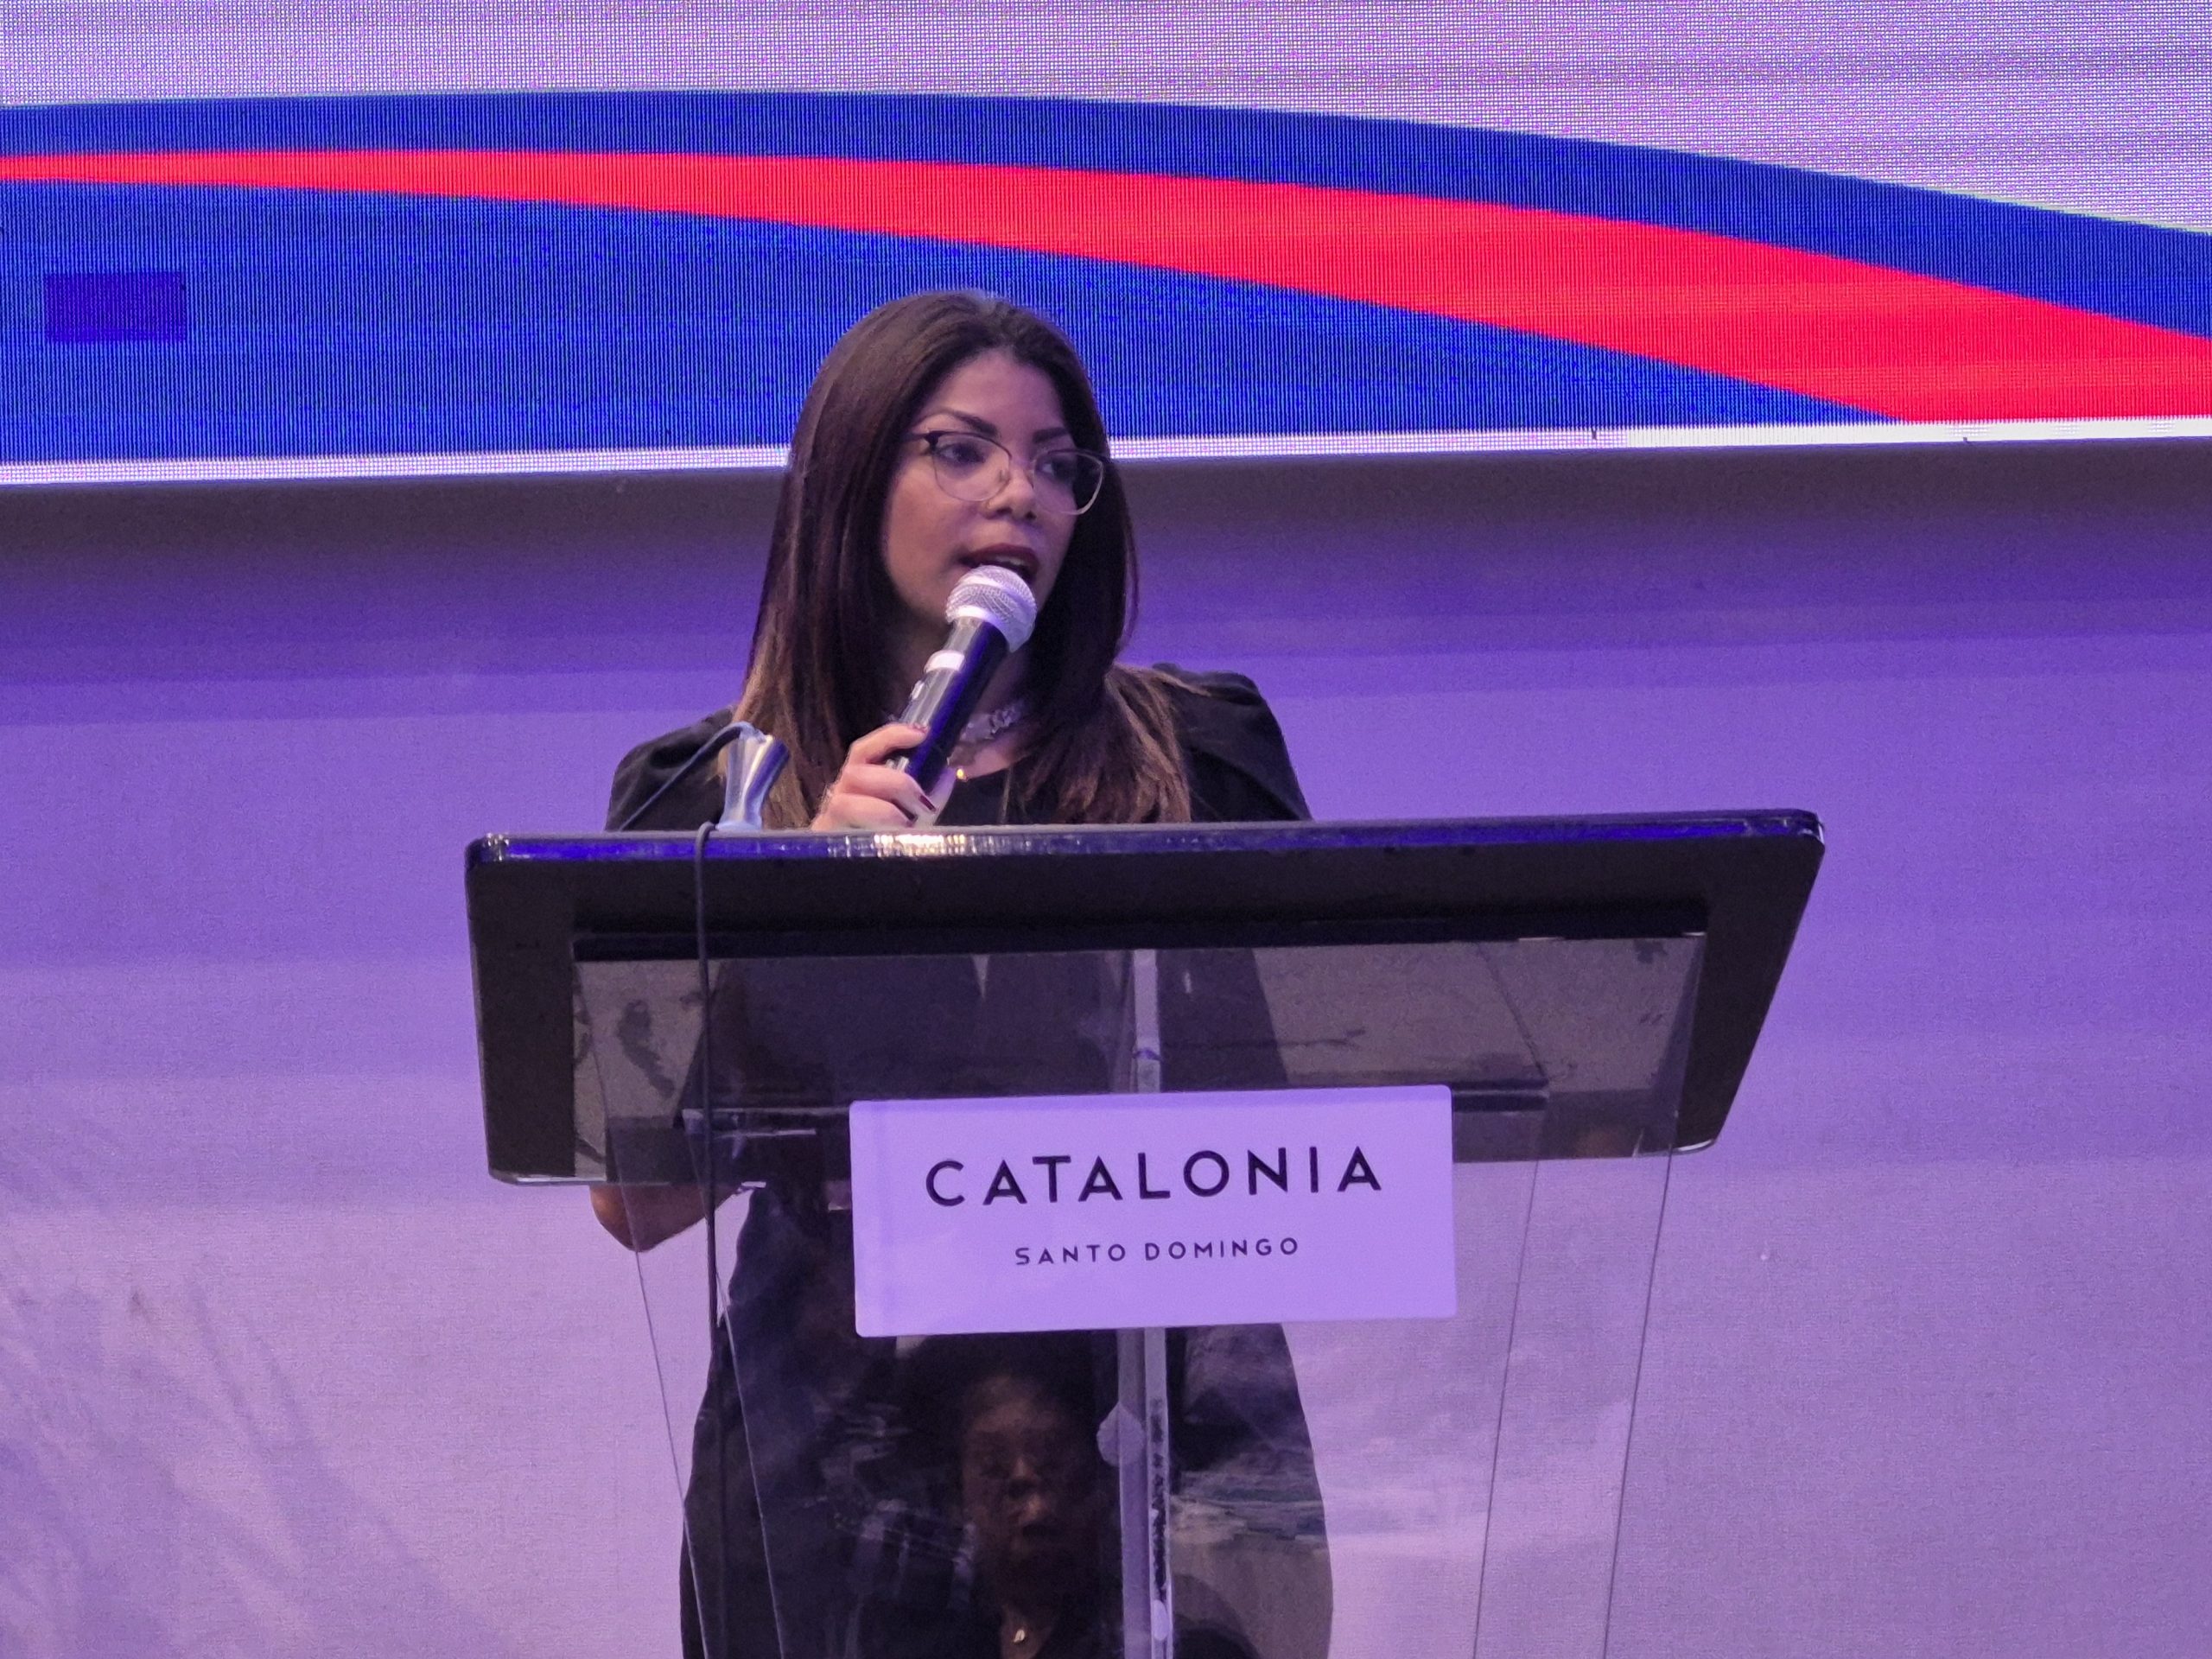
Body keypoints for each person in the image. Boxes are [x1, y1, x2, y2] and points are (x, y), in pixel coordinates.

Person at [591, 291, 1326, 1659]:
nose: (1018, 493)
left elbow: (1305, 1122)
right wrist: (797, 907)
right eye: (960, 449)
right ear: (851, 482)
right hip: (837, 1459)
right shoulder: (713, 798)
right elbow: (636, 1202)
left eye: (1055, 462)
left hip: (1157, 1437)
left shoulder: (1200, 758)